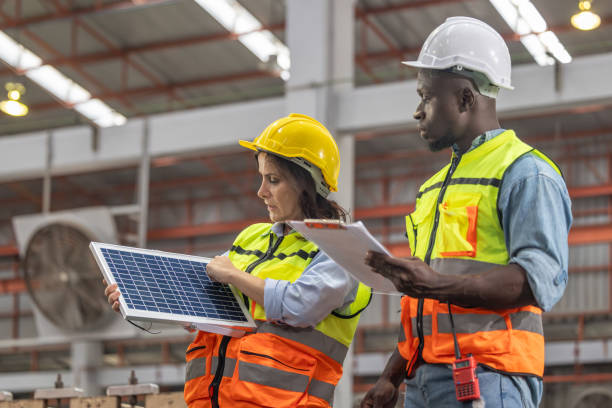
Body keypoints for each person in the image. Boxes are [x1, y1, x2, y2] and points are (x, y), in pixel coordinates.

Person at [360, 17, 572, 408]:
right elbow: (426, 303)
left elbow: (535, 281)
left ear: (464, 99)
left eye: (426, 96)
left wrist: (434, 284)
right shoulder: (433, 189)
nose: (417, 112)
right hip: (424, 379)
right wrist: (391, 375)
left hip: (491, 376)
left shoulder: (526, 173)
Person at [105, 113, 372, 408]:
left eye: (274, 180)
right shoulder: (251, 238)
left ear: (309, 183)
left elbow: (299, 306)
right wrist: (140, 302)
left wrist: (233, 275)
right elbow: (212, 311)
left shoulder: (341, 249)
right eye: (262, 178)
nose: (261, 192)